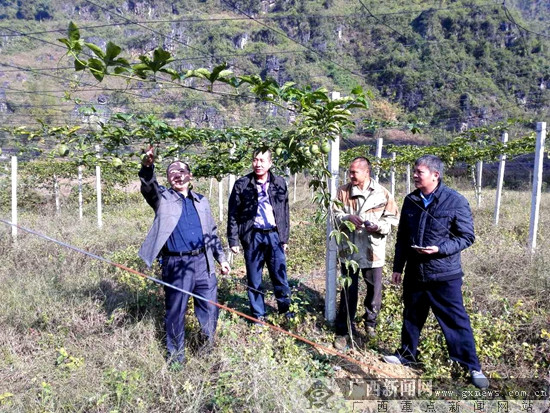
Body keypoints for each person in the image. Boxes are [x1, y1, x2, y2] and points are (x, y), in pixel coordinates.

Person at [384, 154, 489, 389]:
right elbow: (402, 237)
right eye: (414, 171)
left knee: (455, 321)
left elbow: (467, 237)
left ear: (435, 175)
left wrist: (439, 249)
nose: (414, 176)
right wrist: (397, 267)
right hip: (415, 272)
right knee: (411, 316)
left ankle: (472, 366)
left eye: (419, 172)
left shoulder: (455, 201)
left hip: (444, 275)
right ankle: (407, 354)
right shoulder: (410, 200)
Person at [138, 146, 230, 365]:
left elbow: (212, 233)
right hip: (176, 263)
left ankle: (207, 349)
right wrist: (147, 166)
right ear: (168, 179)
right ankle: (176, 357)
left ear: (190, 176)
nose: (177, 175)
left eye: (181, 171)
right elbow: (149, 187)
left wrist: (222, 259)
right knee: (176, 311)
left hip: (203, 262)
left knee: (209, 308)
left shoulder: (202, 201)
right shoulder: (163, 198)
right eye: (171, 172)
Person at [333, 157, 399, 338]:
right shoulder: (342, 192)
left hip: (373, 251)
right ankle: (344, 329)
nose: (351, 175)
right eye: (350, 172)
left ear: (366, 172)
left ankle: (370, 323)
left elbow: (392, 219)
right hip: (350, 250)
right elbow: (334, 215)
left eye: (355, 172)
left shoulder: (382, 194)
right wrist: (347, 218)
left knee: (374, 291)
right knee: (348, 291)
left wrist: (377, 226)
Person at [227, 148, 291, 322]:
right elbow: (233, 213)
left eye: (262, 161)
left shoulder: (279, 183)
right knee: (254, 279)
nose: (258, 164)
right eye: (255, 160)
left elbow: (284, 211)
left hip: (274, 236)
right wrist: (233, 240)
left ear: (270, 163)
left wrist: (284, 237)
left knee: (280, 276)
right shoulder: (242, 184)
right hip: (252, 236)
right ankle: (258, 317)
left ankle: (286, 312)